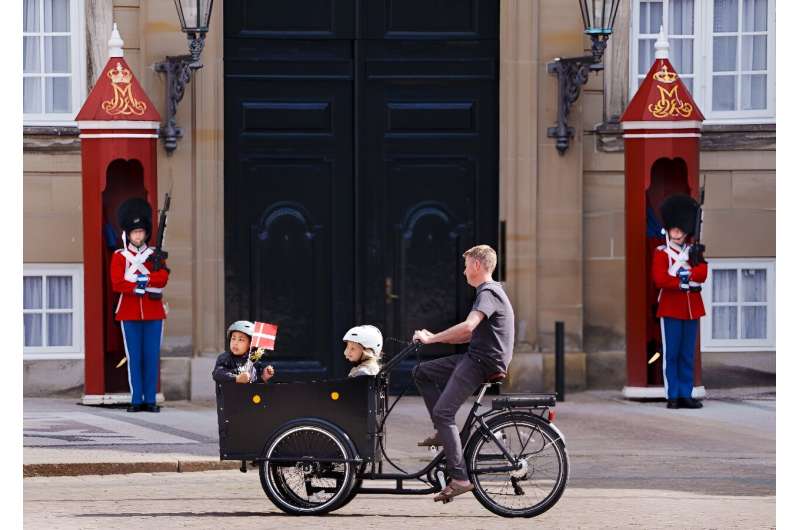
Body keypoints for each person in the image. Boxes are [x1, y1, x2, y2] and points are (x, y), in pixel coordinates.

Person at [412, 244, 515, 503]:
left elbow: (468, 326)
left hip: (482, 361)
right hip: (476, 357)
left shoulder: (488, 292)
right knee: (421, 372)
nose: (464, 270)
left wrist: (431, 338)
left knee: (444, 412)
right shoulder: (490, 293)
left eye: (467, 265)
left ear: (477, 266)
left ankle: (459, 478)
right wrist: (435, 339)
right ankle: (443, 434)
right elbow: (470, 333)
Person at [111, 198, 169, 413]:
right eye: (135, 232)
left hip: (153, 313)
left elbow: (162, 278)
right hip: (129, 312)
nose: (138, 236)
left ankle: (150, 399)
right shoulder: (120, 257)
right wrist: (137, 285)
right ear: (128, 234)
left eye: (141, 232)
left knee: (151, 357)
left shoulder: (154, 255)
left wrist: (147, 281)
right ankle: (137, 399)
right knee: (134, 357)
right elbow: (117, 282)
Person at [652, 194, 708, 410]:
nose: (676, 232)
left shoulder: (693, 252)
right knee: (671, 353)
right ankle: (672, 394)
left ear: (686, 231)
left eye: (680, 229)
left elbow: (702, 273)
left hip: (692, 308)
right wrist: (681, 280)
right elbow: (660, 279)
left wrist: (691, 270)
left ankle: (686, 393)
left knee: (687, 354)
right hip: (671, 307)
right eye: (673, 229)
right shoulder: (662, 253)